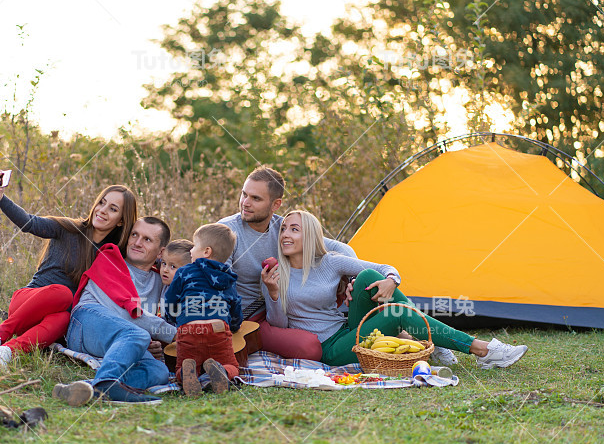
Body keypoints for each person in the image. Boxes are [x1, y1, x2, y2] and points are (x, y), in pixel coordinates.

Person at [261, 210, 528, 368]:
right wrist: (273, 294)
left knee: (366, 276)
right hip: (328, 348)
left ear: (308, 235)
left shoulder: (330, 262)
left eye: (294, 229)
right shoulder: (274, 274)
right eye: (283, 228)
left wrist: (392, 279)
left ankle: (433, 339)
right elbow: (279, 325)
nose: (285, 234)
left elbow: (382, 267)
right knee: (395, 313)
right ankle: (482, 350)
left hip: (346, 329)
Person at [0, 170, 137, 366]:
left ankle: (6, 352)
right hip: (26, 302)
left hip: (49, 321)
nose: (102, 210)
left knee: (64, 319)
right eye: (101, 202)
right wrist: (0, 199)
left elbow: (143, 259)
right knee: (63, 294)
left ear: (121, 220)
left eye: (113, 209)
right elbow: (30, 223)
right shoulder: (67, 229)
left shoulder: (110, 255)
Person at [218, 166, 358, 360]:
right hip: (246, 319)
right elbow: (217, 284)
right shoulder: (227, 231)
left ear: (276, 205)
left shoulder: (284, 229)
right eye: (244, 194)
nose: (245, 203)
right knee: (310, 348)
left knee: (315, 341)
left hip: (283, 310)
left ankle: (370, 337)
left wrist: (352, 280)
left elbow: (341, 249)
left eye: (256, 198)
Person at [52, 217, 175, 406]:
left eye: (147, 239)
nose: (137, 242)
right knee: (136, 334)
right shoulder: (111, 259)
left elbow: (149, 320)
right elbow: (128, 314)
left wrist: (150, 341)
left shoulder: (160, 280)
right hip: (86, 323)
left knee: (158, 370)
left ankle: (86, 388)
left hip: (125, 337)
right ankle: (108, 385)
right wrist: (174, 335)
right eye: (134, 235)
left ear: (161, 252)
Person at [164, 223, 242, 396]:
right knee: (233, 366)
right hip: (218, 329)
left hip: (189, 328)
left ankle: (187, 373)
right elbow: (235, 305)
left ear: (206, 251)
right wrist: (235, 326)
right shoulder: (228, 276)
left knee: (183, 364)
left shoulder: (184, 272)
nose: (191, 251)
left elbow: (170, 300)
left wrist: (172, 318)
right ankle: (223, 371)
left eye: (194, 246)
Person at [158, 239, 194, 315]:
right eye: (164, 263)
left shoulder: (186, 292)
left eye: (173, 266)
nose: (165, 270)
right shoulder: (167, 283)